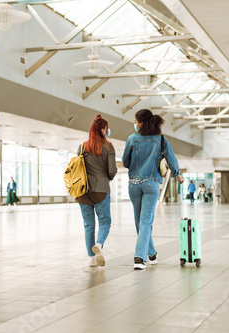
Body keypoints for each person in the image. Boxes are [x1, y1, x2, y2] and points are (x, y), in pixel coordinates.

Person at [123, 109, 184, 270]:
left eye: (136, 121)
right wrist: (178, 175)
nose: (135, 124)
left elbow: (125, 162)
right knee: (145, 221)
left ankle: (142, 257)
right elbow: (171, 159)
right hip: (151, 184)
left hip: (134, 184)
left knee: (140, 222)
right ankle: (147, 255)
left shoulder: (132, 139)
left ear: (141, 123)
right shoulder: (161, 140)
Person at [77, 114, 117, 267]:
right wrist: (106, 178)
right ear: (102, 130)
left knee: (88, 224)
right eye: (106, 129)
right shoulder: (108, 146)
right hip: (101, 190)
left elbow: (79, 168)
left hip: (83, 191)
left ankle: (91, 258)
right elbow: (112, 171)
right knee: (105, 221)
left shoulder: (82, 147)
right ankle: (99, 245)